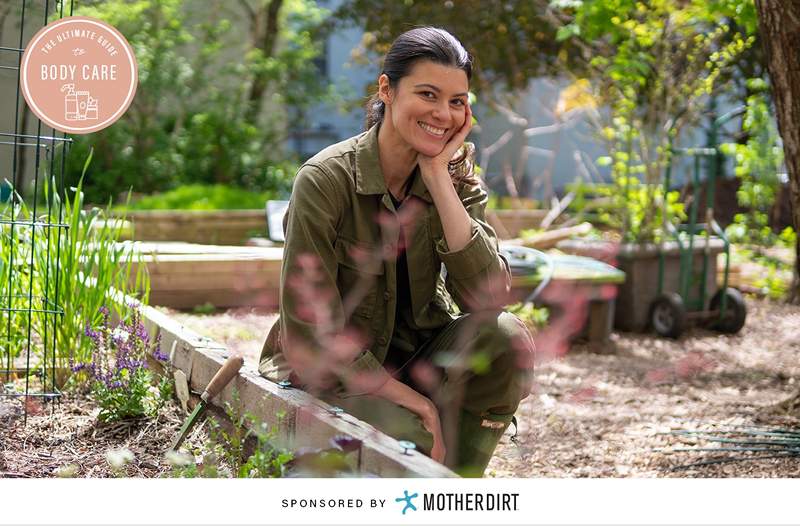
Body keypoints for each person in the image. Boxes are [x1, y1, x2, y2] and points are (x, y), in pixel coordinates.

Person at [259, 27, 534, 477]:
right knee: (412, 437)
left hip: (416, 356)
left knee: (506, 338)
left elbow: (490, 299)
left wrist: (438, 177)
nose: (443, 114)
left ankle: (457, 487)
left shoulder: (455, 175)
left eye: (457, 101)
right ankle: (424, 454)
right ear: (386, 89)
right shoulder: (326, 180)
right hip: (331, 374)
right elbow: (313, 335)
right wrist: (415, 402)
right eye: (428, 94)